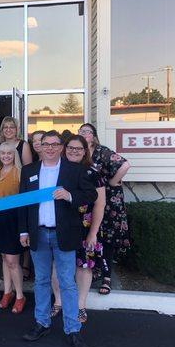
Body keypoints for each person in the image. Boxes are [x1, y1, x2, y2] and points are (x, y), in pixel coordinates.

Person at [18, 130, 96, 347]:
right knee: (41, 280)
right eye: (45, 144)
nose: (50, 148)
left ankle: (73, 330)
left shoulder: (75, 170)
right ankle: (41, 323)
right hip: (38, 233)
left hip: (64, 234)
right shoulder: (29, 171)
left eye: (54, 144)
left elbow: (91, 195)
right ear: (39, 147)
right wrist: (23, 231)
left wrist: (70, 196)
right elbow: (24, 204)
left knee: (67, 283)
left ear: (61, 148)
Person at [50, 135, 106, 323]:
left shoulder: (93, 172)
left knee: (83, 266)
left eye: (78, 149)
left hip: (86, 226)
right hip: (62, 224)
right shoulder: (57, 169)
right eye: (70, 148)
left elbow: (99, 204)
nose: (74, 151)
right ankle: (58, 301)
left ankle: (81, 306)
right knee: (58, 265)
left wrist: (93, 233)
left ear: (85, 151)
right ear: (65, 149)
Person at [78, 123, 131, 296]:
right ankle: (96, 270)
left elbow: (125, 165)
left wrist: (112, 182)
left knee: (106, 239)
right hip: (90, 202)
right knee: (92, 236)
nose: (84, 134)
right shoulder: (80, 153)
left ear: (93, 136)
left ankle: (107, 277)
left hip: (108, 202)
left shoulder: (102, 151)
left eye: (87, 132)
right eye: (81, 131)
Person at [0, 142, 26, 314]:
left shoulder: (20, 173)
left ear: (15, 155)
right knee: (4, 257)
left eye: (9, 153)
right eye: (2, 153)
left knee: (13, 261)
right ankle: (7, 291)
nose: (5, 156)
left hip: (14, 221)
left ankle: (20, 295)